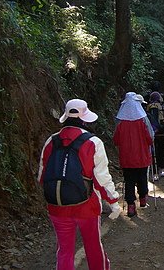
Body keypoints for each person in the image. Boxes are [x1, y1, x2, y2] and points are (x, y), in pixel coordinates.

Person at [38, 98, 121, 270]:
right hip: (87, 206)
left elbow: (42, 177)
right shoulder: (93, 142)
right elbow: (101, 179)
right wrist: (113, 202)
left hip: (57, 205)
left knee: (65, 251)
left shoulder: (50, 141)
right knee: (93, 247)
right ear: (84, 119)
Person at [113, 92, 155, 218]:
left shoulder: (120, 121)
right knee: (142, 178)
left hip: (126, 157)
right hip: (142, 156)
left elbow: (116, 140)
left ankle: (131, 206)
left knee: (129, 180)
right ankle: (143, 198)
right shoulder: (143, 120)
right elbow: (150, 137)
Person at [146, 91, 164, 179]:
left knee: (154, 151)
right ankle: (162, 169)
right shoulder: (162, 107)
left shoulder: (147, 107)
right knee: (162, 150)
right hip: (162, 132)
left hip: (153, 132)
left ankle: (154, 172)